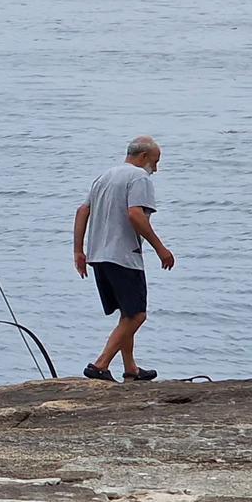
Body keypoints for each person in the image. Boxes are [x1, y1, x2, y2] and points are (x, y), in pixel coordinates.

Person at [73, 136, 174, 382]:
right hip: (123, 255)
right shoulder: (139, 178)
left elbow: (82, 211)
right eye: (155, 161)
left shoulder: (105, 176)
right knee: (137, 315)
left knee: (126, 314)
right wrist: (161, 248)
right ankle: (100, 364)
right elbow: (135, 215)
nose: (156, 168)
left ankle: (131, 368)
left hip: (98, 254)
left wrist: (79, 250)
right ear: (143, 157)